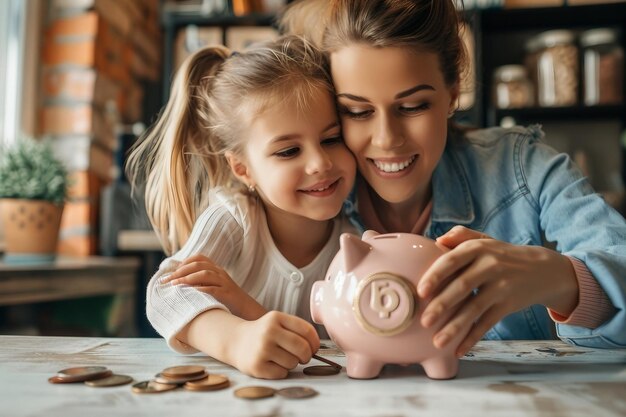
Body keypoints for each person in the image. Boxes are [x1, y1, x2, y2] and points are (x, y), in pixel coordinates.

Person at [280, 0, 626, 355]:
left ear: (452, 94)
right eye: (356, 111)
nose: (386, 139)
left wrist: (560, 278)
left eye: (413, 106)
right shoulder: (304, 186)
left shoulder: (522, 166)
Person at [125, 35, 357, 379]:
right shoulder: (234, 218)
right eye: (288, 151)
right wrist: (235, 340)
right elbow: (165, 293)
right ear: (242, 169)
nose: (320, 163)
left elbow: (341, 345)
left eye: (331, 139)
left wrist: (247, 308)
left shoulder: (356, 239)